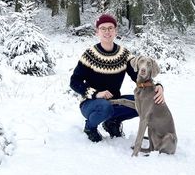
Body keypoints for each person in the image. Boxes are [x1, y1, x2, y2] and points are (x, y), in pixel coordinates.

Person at [69, 13, 164, 142]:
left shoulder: (123, 54)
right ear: (97, 31)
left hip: (115, 101)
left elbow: (138, 76)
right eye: (103, 28)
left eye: (110, 28)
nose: (107, 31)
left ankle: (112, 122)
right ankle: (90, 127)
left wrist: (156, 86)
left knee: (146, 102)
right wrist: (96, 94)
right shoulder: (89, 55)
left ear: (115, 31)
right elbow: (74, 82)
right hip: (91, 103)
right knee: (104, 107)